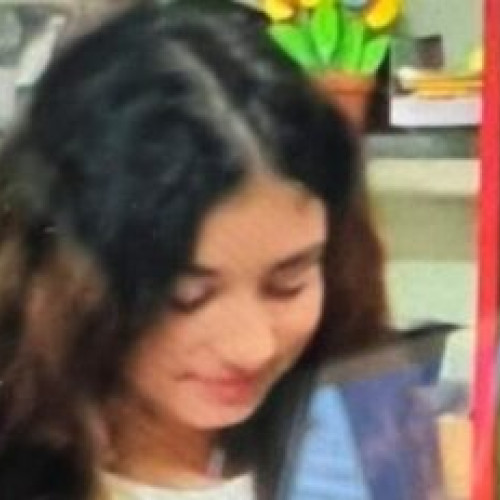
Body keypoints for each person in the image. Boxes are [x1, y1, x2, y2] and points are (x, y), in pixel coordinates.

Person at [0, 1, 388, 499]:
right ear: (71, 279)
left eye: (288, 285)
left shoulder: (367, 439)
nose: (252, 347)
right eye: (187, 297)